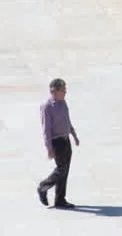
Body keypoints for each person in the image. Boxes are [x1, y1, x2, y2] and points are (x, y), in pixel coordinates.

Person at [37, 78, 80, 208]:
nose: (65, 92)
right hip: (57, 142)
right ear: (54, 91)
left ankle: (60, 199)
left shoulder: (63, 103)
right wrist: (49, 148)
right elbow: (46, 129)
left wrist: (74, 135)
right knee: (61, 169)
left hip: (66, 140)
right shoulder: (47, 106)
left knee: (65, 170)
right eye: (63, 90)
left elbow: (67, 120)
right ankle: (43, 186)